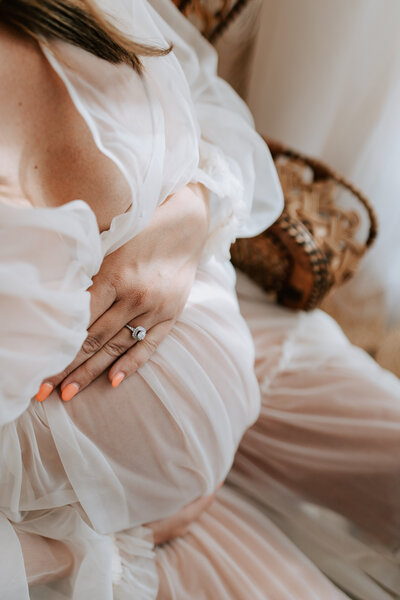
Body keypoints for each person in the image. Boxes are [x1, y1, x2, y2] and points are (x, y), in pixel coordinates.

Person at [0, 1, 399, 599]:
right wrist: (90, 553)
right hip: (95, 526)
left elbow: (203, 88)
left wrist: (192, 207)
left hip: (230, 322)